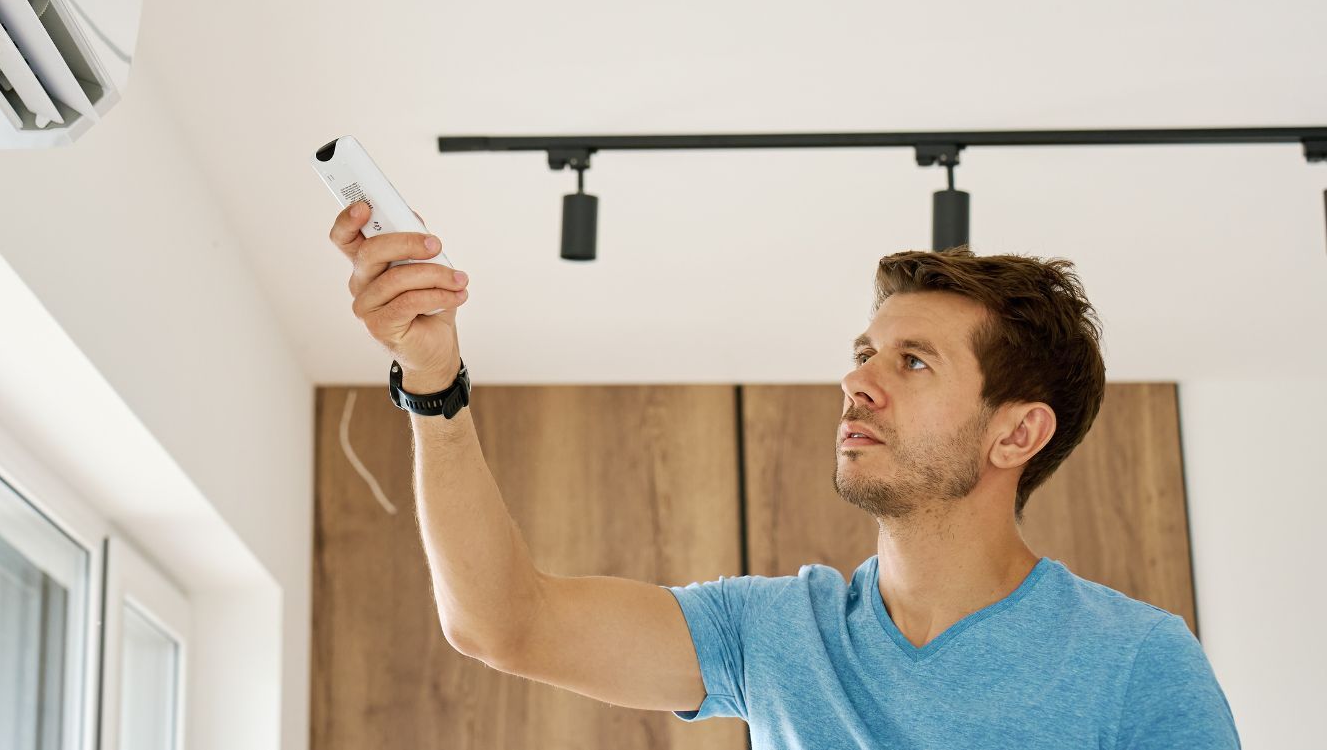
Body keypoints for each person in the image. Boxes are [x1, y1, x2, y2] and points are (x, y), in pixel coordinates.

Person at [328, 200, 1241, 747]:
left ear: (1017, 434)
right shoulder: (772, 634)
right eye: (863, 353)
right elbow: (502, 622)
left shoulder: (1136, 661)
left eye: (913, 362)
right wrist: (433, 382)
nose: (856, 380)